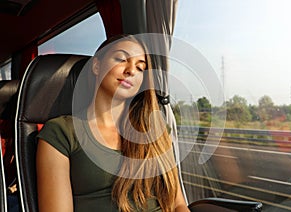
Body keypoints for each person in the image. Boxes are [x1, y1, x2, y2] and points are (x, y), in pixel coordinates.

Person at [36, 34, 189, 212]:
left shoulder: (154, 131)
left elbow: (177, 204)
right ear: (96, 66)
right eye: (121, 59)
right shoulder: (61, 132)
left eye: (140, 68)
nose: (131, 70)